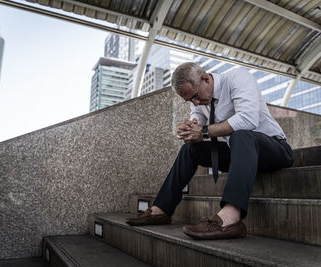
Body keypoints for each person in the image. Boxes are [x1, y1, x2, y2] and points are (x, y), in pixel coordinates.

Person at [126, 62, 294, 240]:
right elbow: (197, 119)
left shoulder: (237, 78)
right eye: (190, 100)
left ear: (205, 79)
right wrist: (189, 128)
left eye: (196, 96)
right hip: (242, 156)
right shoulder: (200, 99)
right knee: (190, 150)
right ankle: (162, 210)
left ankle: (231, 218)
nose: (195, 102)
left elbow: (248, 119)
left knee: (242, 135)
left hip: (275, 150)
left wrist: (204, 131)